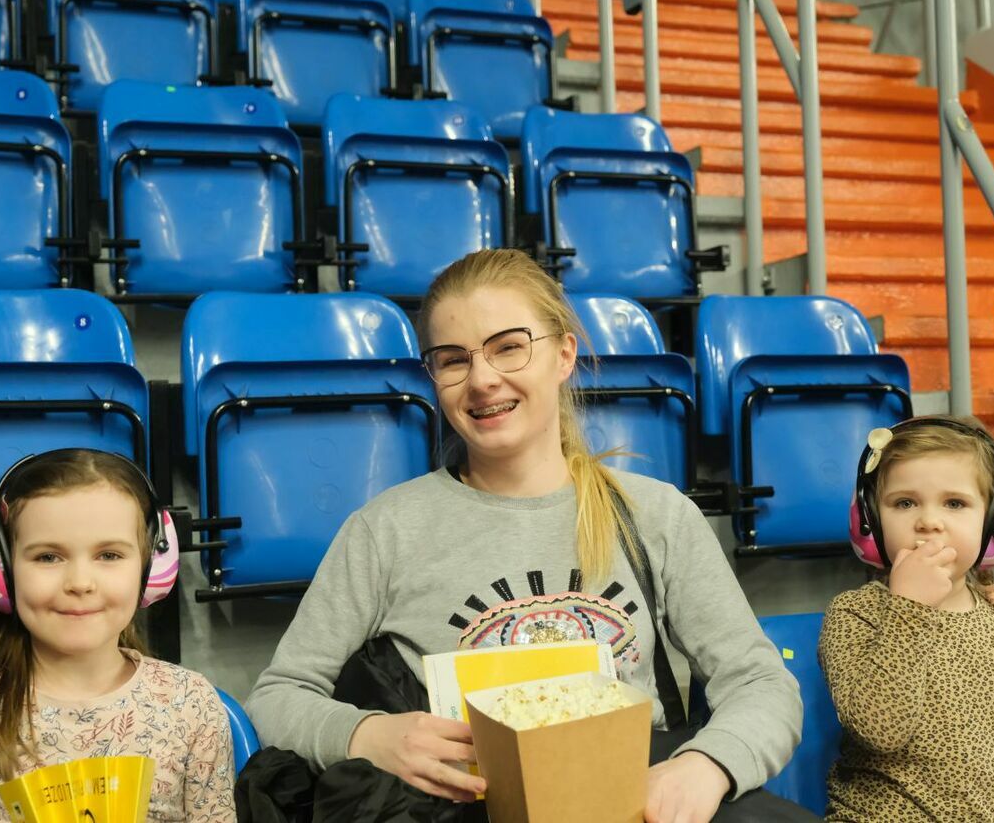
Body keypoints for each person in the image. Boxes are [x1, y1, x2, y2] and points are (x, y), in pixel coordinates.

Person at [248, 248, 812, 822]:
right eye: (452, 360)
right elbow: (278, 695)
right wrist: (369, 735)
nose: (483, 379)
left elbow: (761, 684)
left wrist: (706, 766)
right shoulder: (384, 530)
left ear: (564, 354)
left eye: (509, 346)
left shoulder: (656, 515)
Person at [0, 449, 236, 822]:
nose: (79, 583)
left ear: (153, 566)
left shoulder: (191, 705)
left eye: (109, 555)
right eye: (48, 557)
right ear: (0, 570)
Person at [819, 416, 994, 822]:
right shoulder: (854, 614)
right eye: (904, 503)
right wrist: (909, 608)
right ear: (870, 520)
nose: (928, 521)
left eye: (955, 503)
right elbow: (881, 730)